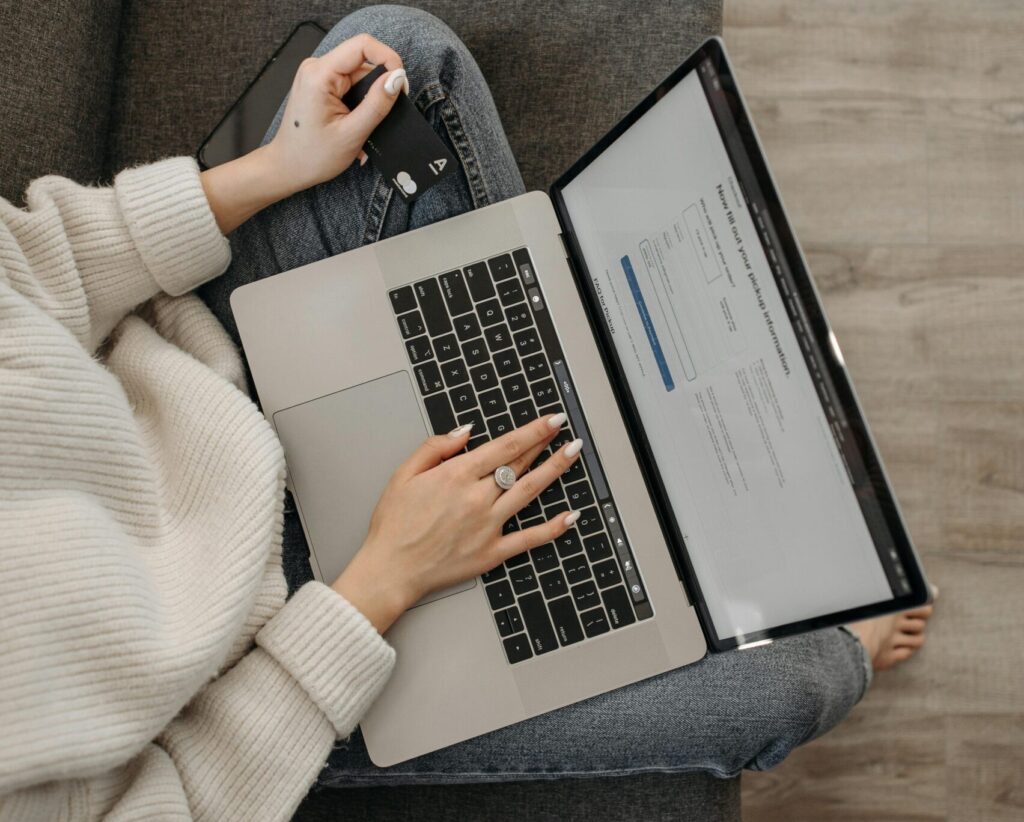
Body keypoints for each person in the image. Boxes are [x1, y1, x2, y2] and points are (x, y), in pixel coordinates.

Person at [0, 5, 935, 819]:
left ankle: (572, 403)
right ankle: (613, 470)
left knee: (402, 61)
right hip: (275, 655)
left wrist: (275, 169)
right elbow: (181, 802)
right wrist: (386, 579)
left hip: (213, 372)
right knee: (792, 679)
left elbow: (39, 265)